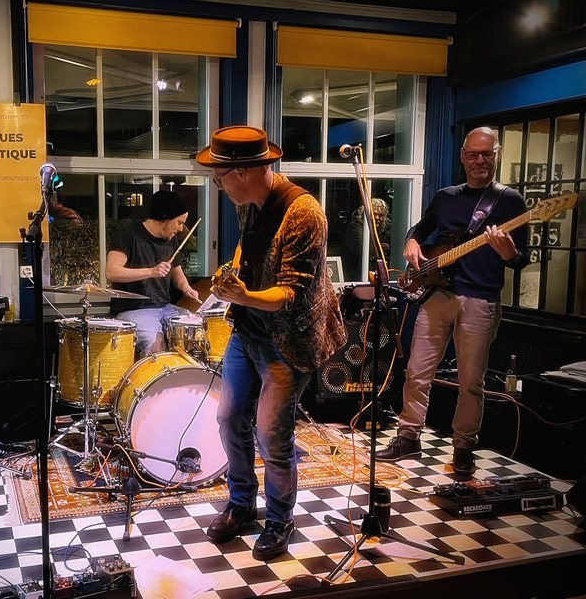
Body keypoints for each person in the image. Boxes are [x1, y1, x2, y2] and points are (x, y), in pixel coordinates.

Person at [196, 126, 347, 560]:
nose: (219, 186)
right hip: (249, 331)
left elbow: (291, 293)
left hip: (289, 340)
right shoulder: (249, 202)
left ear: (242, 172)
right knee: (229, 419)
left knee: (271, 434)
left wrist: (243, 296)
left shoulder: (304, 213)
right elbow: (248, 246)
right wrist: (234, 273)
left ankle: (280, 519)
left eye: (220, 178)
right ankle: (241, 504)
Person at [375, 127, 529, 475]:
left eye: (486, 154)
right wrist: (411, 242)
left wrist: (508, 252)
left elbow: (521, 259)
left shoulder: (511, 202)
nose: (479, 160)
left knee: (471, 381)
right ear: (462, 156)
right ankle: (408, 437)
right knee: (416, 372)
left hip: (480, 300)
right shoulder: (446, 196)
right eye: (473, 154)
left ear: (497, 155)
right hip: (438, 294)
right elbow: (420, 229)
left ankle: (463, 447)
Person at [106, 189, 200, 355]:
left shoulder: (170, 240)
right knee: (154, 340)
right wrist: (151, 271)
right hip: (134, 309)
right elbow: (112, 272)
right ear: (165, 219)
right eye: (179, 223)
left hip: (165, 307)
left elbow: (177, 273)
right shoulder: (128, 235)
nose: (181, 229)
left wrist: (186, 287)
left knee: (196, 330)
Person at [340, 198, 391, 281]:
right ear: (365, 214)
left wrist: (389, 247)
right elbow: (360, 248)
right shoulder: (356, 226)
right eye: (374, 214)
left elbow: (396, 246)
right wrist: (378, 249)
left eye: (381, 215)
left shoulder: (388, 226)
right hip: (356, 272)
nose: (377, 218)